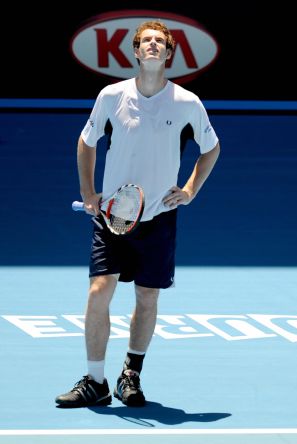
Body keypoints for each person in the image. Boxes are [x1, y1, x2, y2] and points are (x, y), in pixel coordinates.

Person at [55, 20, 220, 407]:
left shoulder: (186, 102)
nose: (151, 46)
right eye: (145, 41)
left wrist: (191, 188)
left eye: (159, 42)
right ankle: (95, 381)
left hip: (159, 217)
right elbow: (86, 141)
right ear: (135, 51)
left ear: (168, 54)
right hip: (112, 215)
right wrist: (87, 191)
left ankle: (131, 373)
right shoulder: (111, 95)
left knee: (147, 297)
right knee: (99, 291)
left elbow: (211, 148)